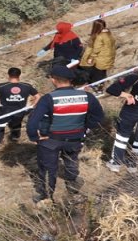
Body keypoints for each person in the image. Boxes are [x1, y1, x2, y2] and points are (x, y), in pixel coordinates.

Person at [26, 64, 105, 206]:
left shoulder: (49, 98)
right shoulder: (87, 96)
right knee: (71, 160)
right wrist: (85, 129)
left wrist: (34, 137)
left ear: (54, 80)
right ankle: (72, 184)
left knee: (48, 167)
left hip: (51, 140)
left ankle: (47, 195)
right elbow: (98, 116)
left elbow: (33, 121)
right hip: (75, 138)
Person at [0, 67, 39, 146]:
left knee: (0, 125)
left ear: (8, 75)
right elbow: (38, 96)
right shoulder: (27, 86)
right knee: (16, 125)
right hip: (20, 111)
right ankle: (15, 139)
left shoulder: (2, 86)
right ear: (19, 75)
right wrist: (32, 106)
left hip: (4, 111)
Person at [79, 19, 116, 86]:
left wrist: (91, 58)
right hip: (109, 56)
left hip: (101, 58)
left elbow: (96, 49)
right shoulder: (108, 33)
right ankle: (101, 83)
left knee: (97, 73)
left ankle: (98, 86)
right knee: (102, 72)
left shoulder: (99, 37)